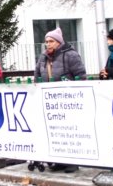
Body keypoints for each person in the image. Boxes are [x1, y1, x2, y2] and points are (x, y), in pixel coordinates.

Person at [34, 28, 86, 173]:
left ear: (59, 42)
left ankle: (73, 162)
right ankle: (59, 160)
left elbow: (81, 76)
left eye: (51, 41)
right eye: (46, 41)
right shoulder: (43, 57)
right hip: (49, 101)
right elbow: (37, 76)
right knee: (54, 132)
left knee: (69, 131)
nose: (48, 44)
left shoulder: (71, 55)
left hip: (68, 100)